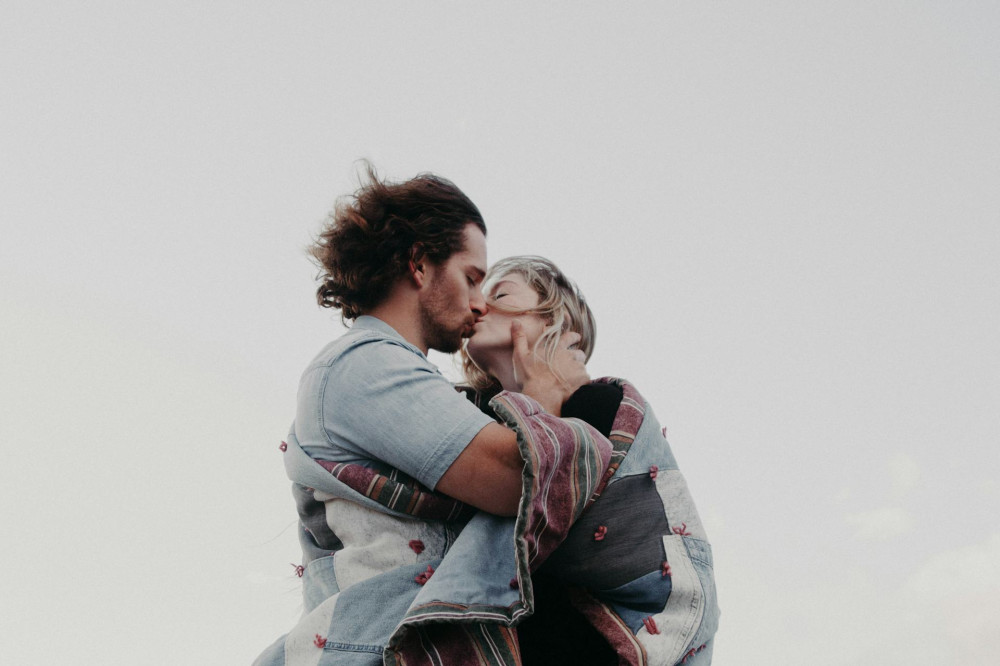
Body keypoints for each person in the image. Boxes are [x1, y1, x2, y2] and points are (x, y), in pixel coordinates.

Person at [254, 167, 591, 666]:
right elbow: (521, 481)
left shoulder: (395, 372)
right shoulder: (366, 363)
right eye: (471, 278)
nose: (478, 303)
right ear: (418, 264)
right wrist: (544, 386)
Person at [461, 255, 720, 665]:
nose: (477, 305)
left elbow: (529, 517)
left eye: (501, 295)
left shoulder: (598, 405)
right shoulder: (471, 420)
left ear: (553, 320)